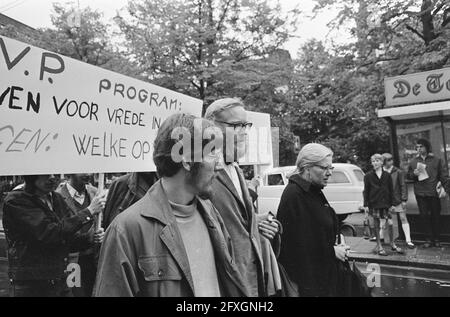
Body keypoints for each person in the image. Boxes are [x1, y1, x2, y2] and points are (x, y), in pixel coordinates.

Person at [94, 113, 246, 297]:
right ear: (188, 161)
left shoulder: (212, 214)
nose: (220, 165)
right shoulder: (125, 230)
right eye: (213, 152)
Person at [205, 98, 281, 297]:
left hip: (251, 278)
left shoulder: (236, 169)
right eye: (235, 126)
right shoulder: (203, 174)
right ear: (212, 128)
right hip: (225, 283)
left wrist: (258, 223)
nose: (243, 132)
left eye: (245, 125)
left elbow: (238, 220)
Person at [2, 174, 106, 297]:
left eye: (55, 173)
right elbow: (49, 233)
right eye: (46, 174)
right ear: (31, 175)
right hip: (32, 285)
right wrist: (89, 212)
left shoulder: (56, 198)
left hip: (59, 280)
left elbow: (66, 239)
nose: (52, 177)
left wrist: (89, 239)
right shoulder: (17, 201)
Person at [277, 143, 348, 297]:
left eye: (331, 168)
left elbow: (317, 229)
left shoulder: (313, 190)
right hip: (311, 286)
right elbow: (295, 248)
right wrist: (331, 251)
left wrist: (336, 237)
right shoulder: (295, 195)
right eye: (324, 168)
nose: (329, 173)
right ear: (307, 167)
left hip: (324, 280)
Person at [56, 174, 105, 296]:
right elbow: (61, 232)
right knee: (76, 293)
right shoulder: (58, 197)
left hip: (94, 259)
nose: (88, 174)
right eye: (83, 170)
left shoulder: (95, 193)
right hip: (72, 262)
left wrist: (102, 233)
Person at [407, 139, 448, 248]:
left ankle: (437, 239)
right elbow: (409, 176)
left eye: (421, 146)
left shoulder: (437, 160)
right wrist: (413, 174)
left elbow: (443, 176)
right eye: (417, 147)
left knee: (436, 216)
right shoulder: (413, 161)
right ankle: (428, 239)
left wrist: (448, 189)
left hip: (433, 192)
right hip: (420, 193)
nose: (419, 149)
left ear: (427, 147)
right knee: (424, 216)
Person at [363, 154, 402, 256]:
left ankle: (392, 243)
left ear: (381, 162)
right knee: (376, 224)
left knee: (390, 223)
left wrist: (393, 203)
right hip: (374, 203)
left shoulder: (387, 175)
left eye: (377, 161)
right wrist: (366, 205)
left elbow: (391, 190)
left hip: (386, 203)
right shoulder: (368, 176)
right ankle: (379, 245)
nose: (375, 163)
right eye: (373, 161)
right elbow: (366, 191)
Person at [382, 153, 415, 249]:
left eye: (391, 159)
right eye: (388, 160)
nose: (390, 162)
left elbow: (403, 185)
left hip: (397, 199)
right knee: (385, 219)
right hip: (386, 199)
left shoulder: (398, 172)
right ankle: (384, 238)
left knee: (403, 217)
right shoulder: (381, 171)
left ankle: (408, 240)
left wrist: (404, 199)